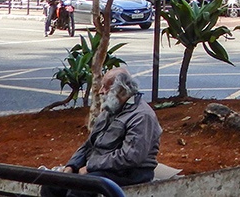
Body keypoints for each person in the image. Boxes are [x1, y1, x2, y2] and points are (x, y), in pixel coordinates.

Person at [41, 67, 161, 196]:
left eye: (106, 87)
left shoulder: (142, 115)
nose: (101, 91)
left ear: (121, 90)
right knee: (52, 184)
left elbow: (129, 157)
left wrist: (91, 166)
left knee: (82, 189)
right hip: (100, 168)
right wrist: (72, 166)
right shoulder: (110, 110)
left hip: (130, 173)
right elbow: (89, 145)